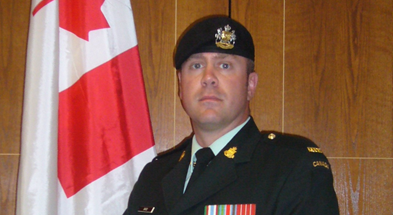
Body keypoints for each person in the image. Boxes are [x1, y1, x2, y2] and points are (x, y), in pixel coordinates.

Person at [123, 16, 339, 215]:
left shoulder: (292, 166)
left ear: (250, 85)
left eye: (224, 66)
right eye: (196, 66)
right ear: (181, 86)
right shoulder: (155, 175)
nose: (208, 78)